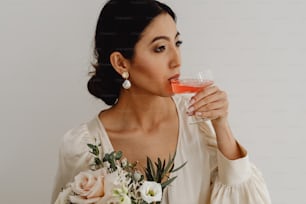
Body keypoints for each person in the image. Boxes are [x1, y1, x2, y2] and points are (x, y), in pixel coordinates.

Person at [51, 0, 271, 203]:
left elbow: (245, 197)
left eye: (178, 42)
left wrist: (222, 124)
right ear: (121, 63)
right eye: (160, 48)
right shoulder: (82, 146)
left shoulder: (198, 118)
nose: (177, 60)